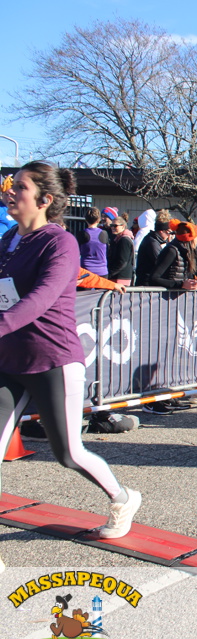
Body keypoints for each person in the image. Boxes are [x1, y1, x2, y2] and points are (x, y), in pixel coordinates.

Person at [0, 162, 142, 567]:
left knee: (68, 453)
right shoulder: (8, 239)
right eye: (10, 185)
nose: (9, 192)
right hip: (8, 359)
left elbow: (41, 298)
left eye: (20, 187)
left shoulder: (60, 243)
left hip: (53, 360)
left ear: (45, 199)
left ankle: (122, 498)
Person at [134, 212, 173, 286]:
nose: (170, 235)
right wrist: (170, 245)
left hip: (148, 282)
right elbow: (160, 262)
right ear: (161, 231)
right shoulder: (152, 242)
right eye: (169, 232)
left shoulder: (154, 240)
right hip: (146, 283)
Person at [77, 207, 109, 278]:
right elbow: (107, 251)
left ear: (86, 219)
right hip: (102, 270)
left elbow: (77, 252)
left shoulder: (82, 234)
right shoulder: (104, 233)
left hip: (86, 270)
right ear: (98, 219)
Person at [105, 216, 135, 286]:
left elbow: (122, 262)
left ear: (123, 226)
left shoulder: (124, 240)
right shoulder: (117, 239)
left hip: (121, 278)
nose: (112, 228)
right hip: (118, 276)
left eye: (115, 226)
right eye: (111, 225)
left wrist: (110, 273)